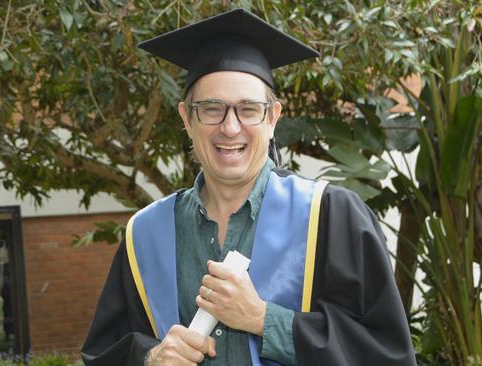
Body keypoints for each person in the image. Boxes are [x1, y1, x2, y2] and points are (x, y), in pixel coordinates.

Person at [82, 8, 416, 366]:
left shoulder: (332, 217)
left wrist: (262, 319)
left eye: (248, 109)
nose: (230, 127)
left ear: (272, 117)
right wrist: (150, 357)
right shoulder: (145, 235)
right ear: (187, 118)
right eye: (212, 109)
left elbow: (386, 353)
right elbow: (103, 355)